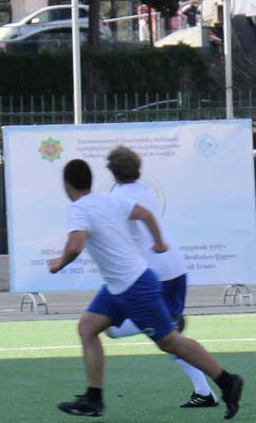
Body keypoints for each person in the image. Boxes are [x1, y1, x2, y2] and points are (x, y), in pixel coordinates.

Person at [49, 159, 244, 419]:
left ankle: (228, 381)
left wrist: (59, 264)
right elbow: (145, 214)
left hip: (135, 286)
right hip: (118, 287)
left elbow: (75, 245)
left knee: (169, 341)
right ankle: (93, 399)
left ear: (66, 184)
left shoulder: (79, 209)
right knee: (87, 327)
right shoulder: (108, 200)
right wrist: (159, 243)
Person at [79, 145, 218, 408]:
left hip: (150, 273)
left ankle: (171, 325)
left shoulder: (117, 198)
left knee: (114, 331)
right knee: (168, 340)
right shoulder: (146, 192)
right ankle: (203, 391)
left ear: (111, 171)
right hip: (175, 269)